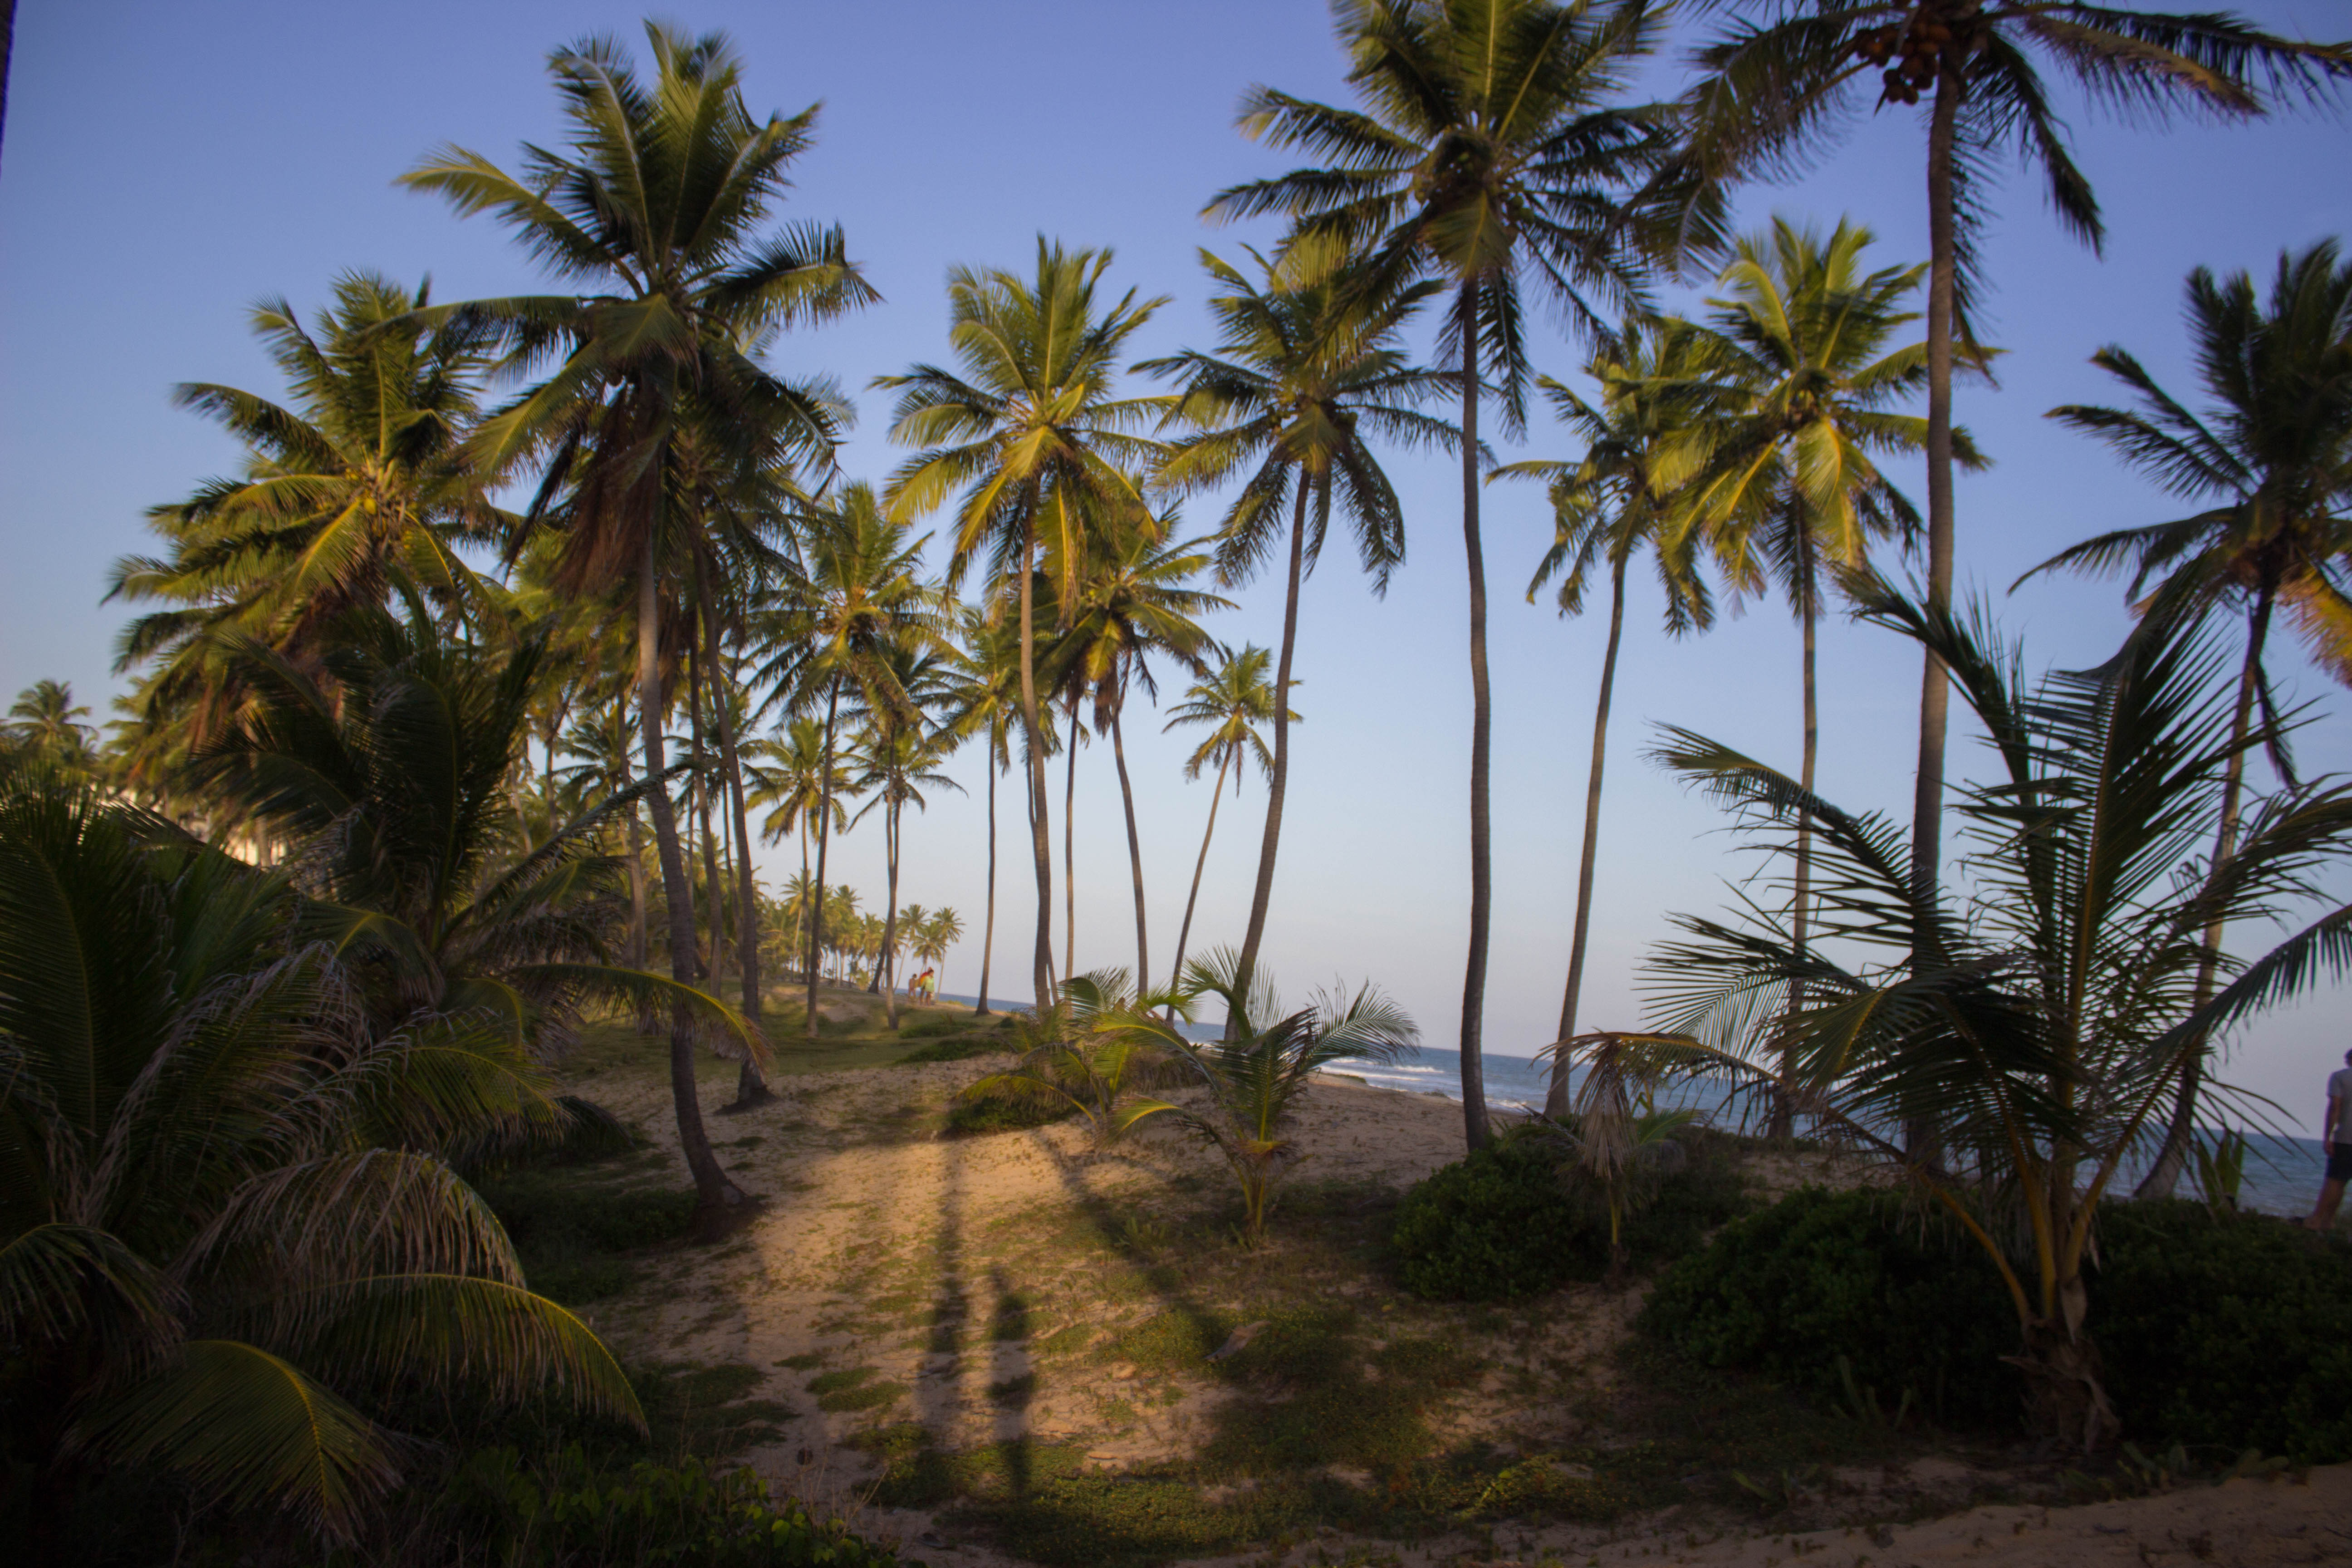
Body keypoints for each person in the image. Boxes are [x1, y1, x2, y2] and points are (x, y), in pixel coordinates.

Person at [2306, 1046, 2352, 1232]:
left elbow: (2335, 1108)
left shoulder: (2340, 1077)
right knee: (2340, 1182)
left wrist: (2327, 1137)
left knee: (2335, 1180)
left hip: (2346, 1138)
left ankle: (2318, 1219)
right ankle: (2329, 1221)